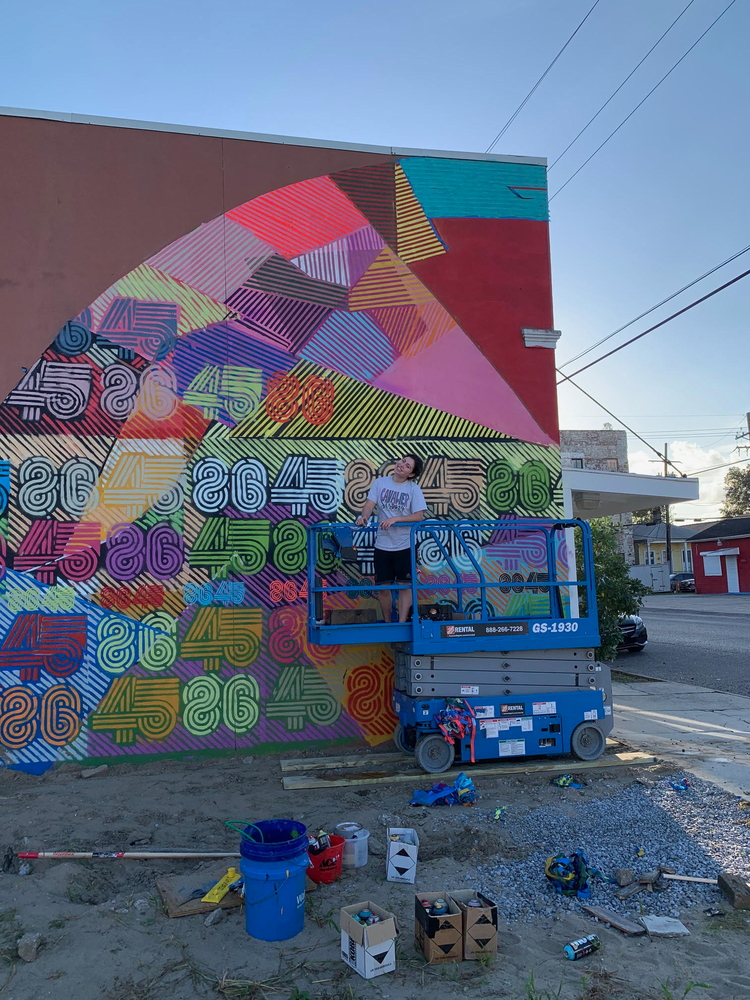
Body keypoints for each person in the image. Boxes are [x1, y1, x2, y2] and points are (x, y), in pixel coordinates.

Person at [356, 454, 427, 622]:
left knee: (404, 586)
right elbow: (369, 505)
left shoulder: (413, 489)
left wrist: (396, 519)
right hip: (382, 544)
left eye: (407, 466)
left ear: (411, 474)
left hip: (404, 545)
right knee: (382, 587)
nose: (402, 465)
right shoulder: (380, 483)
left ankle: (402, 623)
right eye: (402, 461)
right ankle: (388, 622)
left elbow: (418, 515)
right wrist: (363, 517)